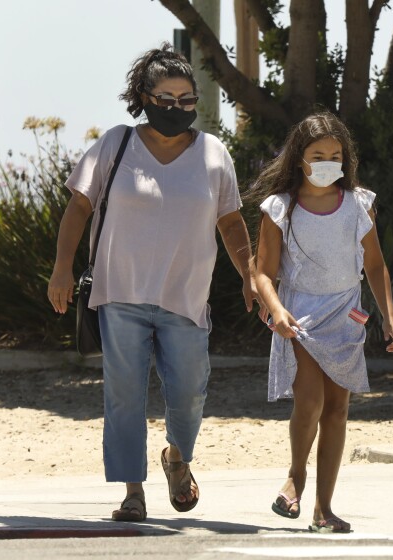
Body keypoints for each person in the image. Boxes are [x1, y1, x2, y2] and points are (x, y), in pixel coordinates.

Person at [47, 44, 258, 522]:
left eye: (187, 100)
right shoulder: (116, 144)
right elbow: (79, 206)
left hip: (185, 298)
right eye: (166, 98)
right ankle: (133, 491)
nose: (177, 108)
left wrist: (250, 274)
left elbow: (230, 221)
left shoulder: (212, 152)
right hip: (120, 292)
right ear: (143, 96)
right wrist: (62, 268)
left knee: (189, 391)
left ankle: (176, 458)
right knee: (124, 394)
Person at [252, 112, 393, 533]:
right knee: (311, 402)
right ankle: (296, 474)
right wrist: (277, 310)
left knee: (337, 411)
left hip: (346, 314)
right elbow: (263, 272)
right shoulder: (280, 208)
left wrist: (389, 315)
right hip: (299, 316)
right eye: (319, 155)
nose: (328, 162)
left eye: (336, 155)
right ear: (299, 157)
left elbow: (374, 263)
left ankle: (324, 509)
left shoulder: (358, 204)